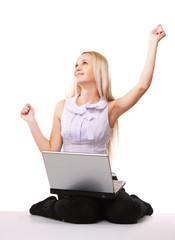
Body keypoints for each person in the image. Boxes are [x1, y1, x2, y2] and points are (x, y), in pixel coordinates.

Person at [21, 24, 166, 224]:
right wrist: (31, 122)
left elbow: (142, 86)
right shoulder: (62, 107)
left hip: (103, 184)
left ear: (98, 70)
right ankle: (50, 205)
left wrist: (153, 42)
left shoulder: (110, 109)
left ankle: (135, 204)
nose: (77, 67)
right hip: (72, 186)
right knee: (82, 212)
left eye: (84, 63)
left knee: (125, 212)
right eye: (76, 64)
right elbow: (51, 149)